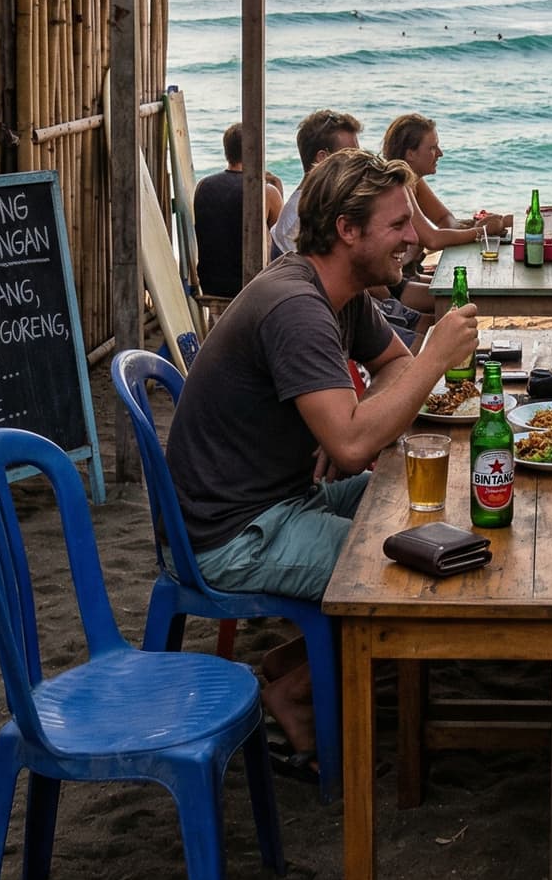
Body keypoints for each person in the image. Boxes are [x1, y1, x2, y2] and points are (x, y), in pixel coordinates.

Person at [166, 148, 479, 770]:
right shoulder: (296, 306)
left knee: (428, 507)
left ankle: (291, 664)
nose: (414, 239)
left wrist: (357, 423)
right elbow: (358, 442)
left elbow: (387, 370)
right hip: (233, 533)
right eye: (397, 226)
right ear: (346, 230)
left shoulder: (339, 292)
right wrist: (433, 361)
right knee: (407, 567)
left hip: (282, 497)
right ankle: (296, 692)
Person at [381, 112, 509, 252]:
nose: (440, 153)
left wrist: (470, 227)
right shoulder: (398, 187)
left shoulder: (414, 181)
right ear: (410, 154)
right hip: (400, 273)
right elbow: (433, 240)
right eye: (432, 148)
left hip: (412, 272)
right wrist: (482, 231)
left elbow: (444, 218)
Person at [193, 122, 285, 300]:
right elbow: (280, 239)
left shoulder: (203, 185)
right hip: (248, 286)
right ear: (256, 151)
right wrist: (277, 188)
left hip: (210, 284)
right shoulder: (265, 191)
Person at [269, 108, 361, 258]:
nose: (358, 163)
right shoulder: (300, 220)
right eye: (351, 155)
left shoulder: (324, 204)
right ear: (322, 158)